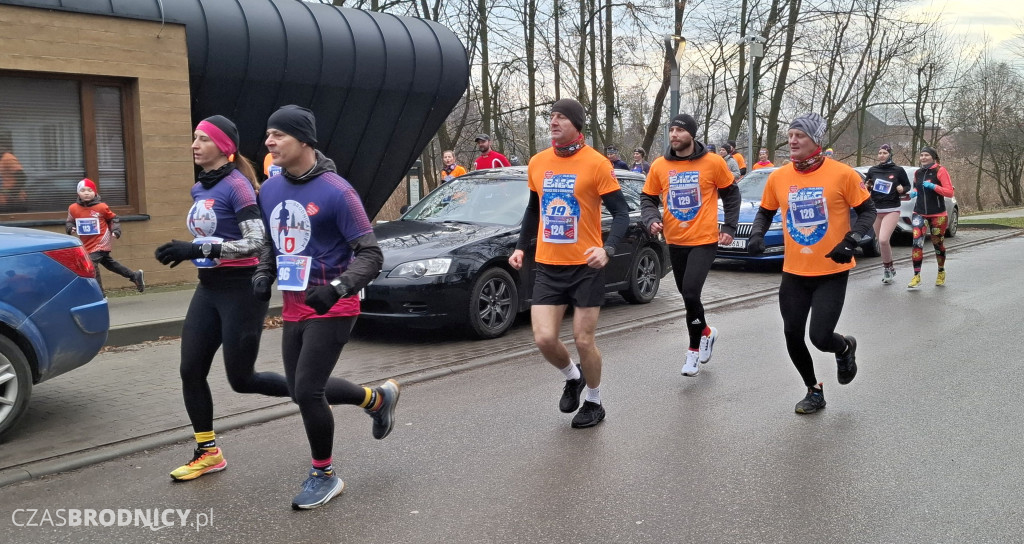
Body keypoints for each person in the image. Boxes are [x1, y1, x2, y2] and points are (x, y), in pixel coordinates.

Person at [255, 105, 394, 510]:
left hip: (334, 305)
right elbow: (271, 240)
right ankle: (377, 399)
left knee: (309, 390)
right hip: (295, 304)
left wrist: (338, 288)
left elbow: (371, 254)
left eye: (278, 134)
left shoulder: (338, 191)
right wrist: (264, 274)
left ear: (303, 140)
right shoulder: (270, 189)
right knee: (300, 390)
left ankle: (324, 475)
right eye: (268, 134)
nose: (269, 142)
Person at [154, 115, 289, 482]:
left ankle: (325, 393)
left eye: (203, 139)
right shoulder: (201, 188)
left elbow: (257, 241)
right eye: (194, 138)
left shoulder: (238, 186)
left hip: (241, 289)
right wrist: (192, 252)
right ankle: (207, 451)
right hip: (209, 288)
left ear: (224, 147)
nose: (194, 145)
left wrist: (197, 247)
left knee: (242, 379)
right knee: (190, 370)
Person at [508, 98, 630, 429]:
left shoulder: (596, 164)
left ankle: (594, 401)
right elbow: (533, 209)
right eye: (551, 116)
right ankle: (572, 377)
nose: (553, 122)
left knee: (583, 339)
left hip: (586, 267)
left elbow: (620, 213)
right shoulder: (538, 162)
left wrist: (609, 249)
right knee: (544, 338)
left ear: (577, 124)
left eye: (561, 117)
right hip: (548, 265)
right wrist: (521, 247)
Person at [746, 113, 876, 414]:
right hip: (794, 271)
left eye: (800, 136)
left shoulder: (843, 174)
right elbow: (765, 212)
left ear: (816, 140)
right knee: (792, 334)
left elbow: (868, 212)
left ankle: (844, 348)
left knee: (819, 337)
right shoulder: (778, 177)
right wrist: (756, 234)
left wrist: (851, 240)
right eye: (790, 135)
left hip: (832, 269)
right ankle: (813, 391)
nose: (792, 141)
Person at [640, 114, 740, 376]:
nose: (674, 135)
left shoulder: (713, 162)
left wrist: (729, 227)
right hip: (675, 241)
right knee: (687, 296)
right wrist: (651, 219)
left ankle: (693, 351)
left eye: (680, 130)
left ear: (692, 135)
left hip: (704, 241)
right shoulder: (660, 166)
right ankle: (706, 332)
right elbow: (648, 199)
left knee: (692, 292)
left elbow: (732, 194)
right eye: (671, 130)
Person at [66, 178, 144, 292]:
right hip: (87, 242)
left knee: (90, 264)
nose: (86, 193)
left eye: (89, 190)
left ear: (95, 192)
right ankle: (134, 276)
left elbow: (113, 219)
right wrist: (70, 228)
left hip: (102, 241)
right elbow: (69, 221)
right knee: (109, 263)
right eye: (83, 190)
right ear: (78, 193)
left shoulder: (101, 207)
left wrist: (116, 230)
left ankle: (99, 294)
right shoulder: (73, 208)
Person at [907, 146, 955, 288]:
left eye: (926, 155)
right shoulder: (918, 173)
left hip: (938, 213)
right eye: (921, 155)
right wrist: (914, 191)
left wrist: (933, 187)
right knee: (917, 243)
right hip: (919, 212)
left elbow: (949, 192)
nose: (923, 158)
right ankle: (916, 275)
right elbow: (917, 186)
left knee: (937, 244)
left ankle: (941, 271)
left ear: (933, 157)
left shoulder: (940, 170)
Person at [865, 144, 911, 284]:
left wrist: (902, 189)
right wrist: (867, 186)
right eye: (880, 153)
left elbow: (907, 186)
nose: (881, 155)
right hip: (876, 209)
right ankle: (889, 267)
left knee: (884, 239)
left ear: (890, 154)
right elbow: (864, 185)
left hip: (892, 209)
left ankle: (887, 268)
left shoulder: (898, 170)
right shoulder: (873, 170)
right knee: (881, 241)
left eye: (884, 153)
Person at [0, 147, 28, 213]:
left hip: (12, 202)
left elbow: (22, 177)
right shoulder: (2, 159)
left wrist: (12, 194)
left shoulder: (8, 158)